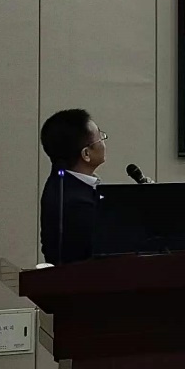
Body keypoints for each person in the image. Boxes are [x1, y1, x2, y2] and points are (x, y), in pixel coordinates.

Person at [39, 109, 108, 265]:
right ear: (86, 154)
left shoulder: (62, 180)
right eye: (100, 136)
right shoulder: (76, 203)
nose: (104, 141)